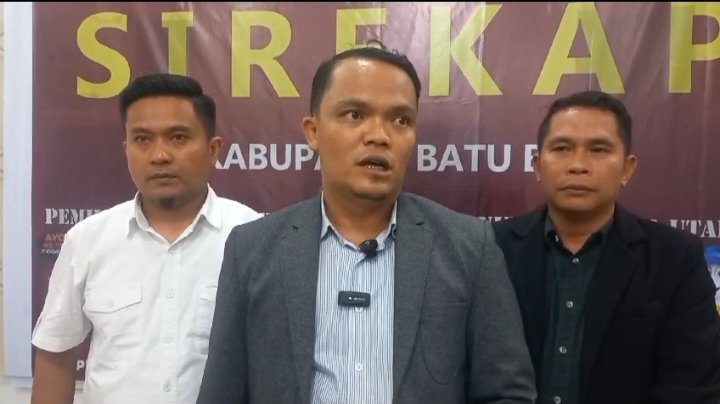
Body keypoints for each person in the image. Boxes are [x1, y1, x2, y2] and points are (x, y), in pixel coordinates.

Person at [196, 43, 537, 404]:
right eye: (355, 114)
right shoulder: (252, 250)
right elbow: (222, 394)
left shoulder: (468, 247)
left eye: (400, 120)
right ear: (313, 131)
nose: (379, 135)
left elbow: (508, 393)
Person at [30, 73, 263, 404]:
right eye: (142, 139)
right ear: (127, 149)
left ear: (213, 149)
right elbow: (56, 355)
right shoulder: (87, 241)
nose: (159, 155)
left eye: (178, 137)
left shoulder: (255, 237)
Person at [492, 90, 720, 404]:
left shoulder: (675, 258)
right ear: (537, 164)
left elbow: (691, 389)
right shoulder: (491, 248)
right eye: (562, 148)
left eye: (598, 150)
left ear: (627, 168)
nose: (578, 165)